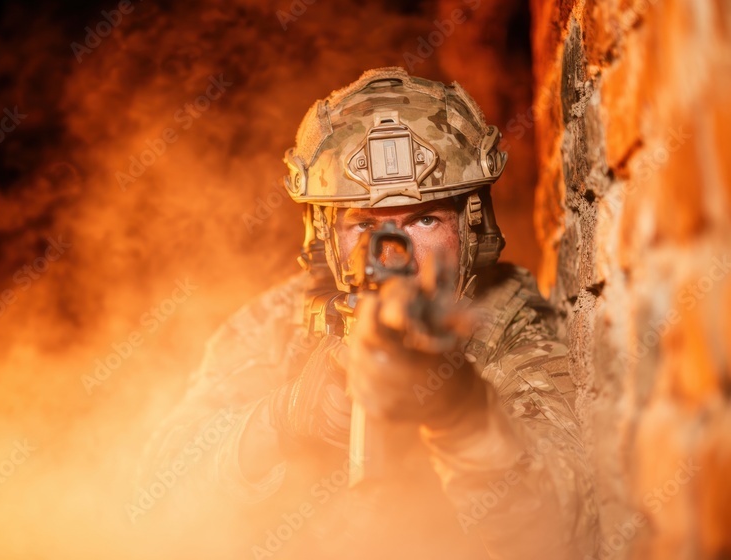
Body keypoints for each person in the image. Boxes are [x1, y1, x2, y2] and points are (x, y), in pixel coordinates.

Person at [136, 67, 599, 559]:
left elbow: (563, 536)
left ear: (471, 227)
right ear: (325, 235)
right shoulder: (277, 323)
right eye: (363, 225)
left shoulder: (508, 324)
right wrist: (285, 418)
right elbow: (154, 502)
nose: (395, 252)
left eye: (424, 218)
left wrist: (457, 409)